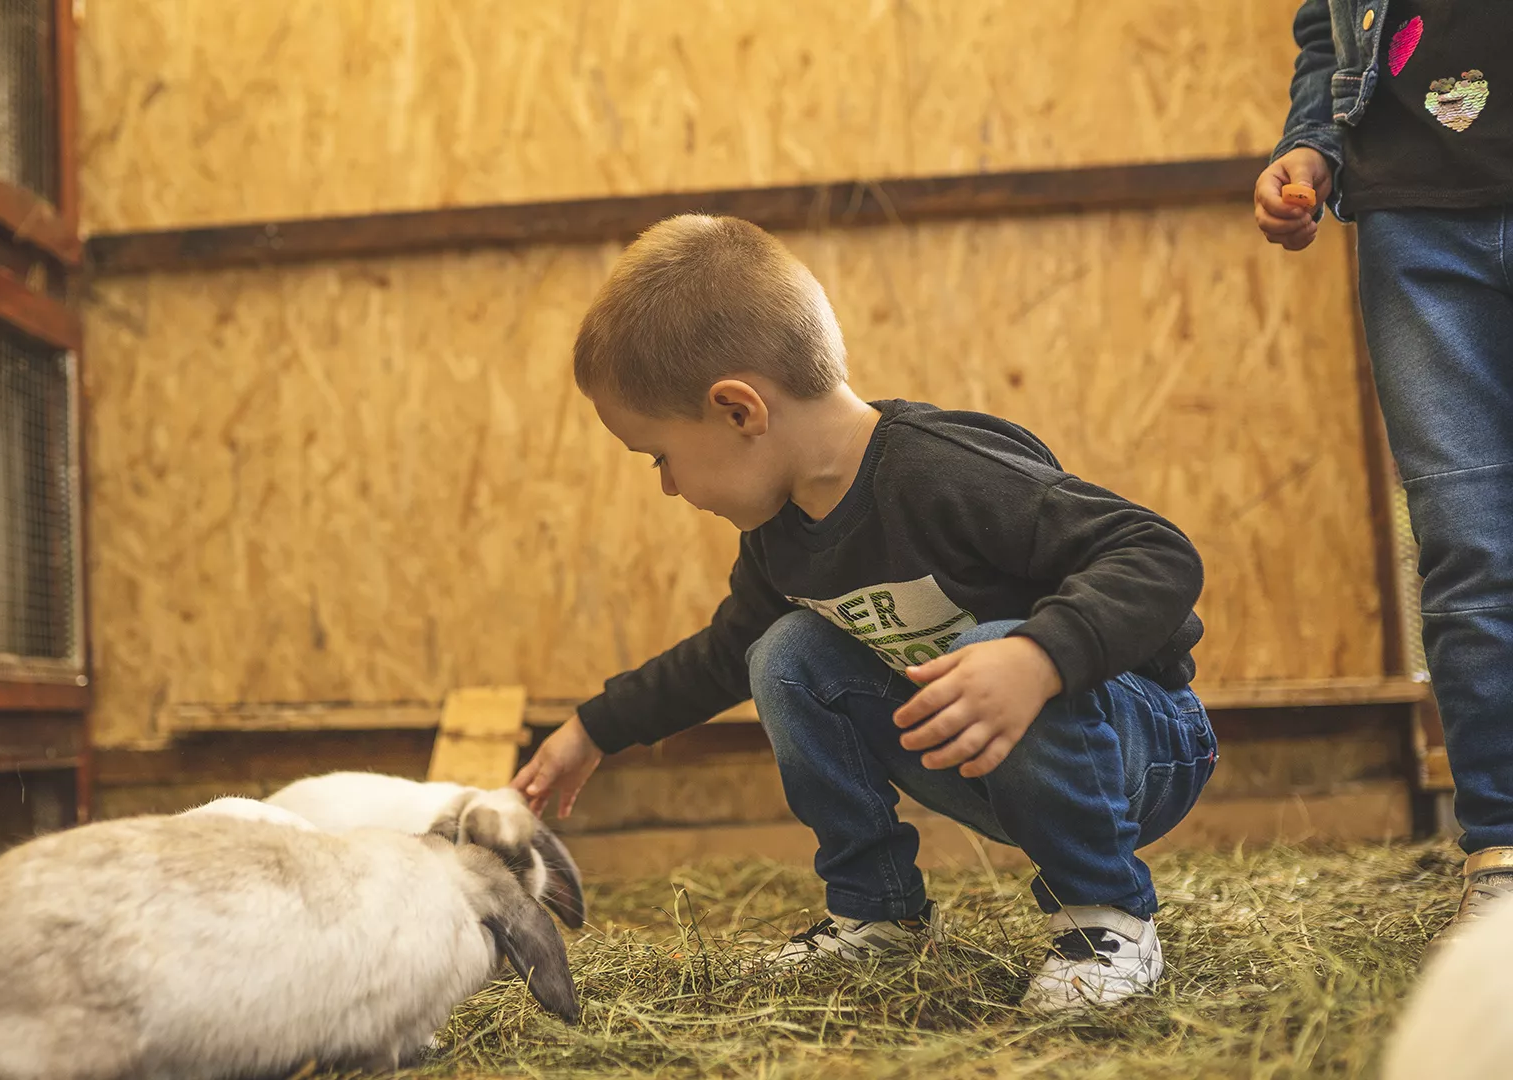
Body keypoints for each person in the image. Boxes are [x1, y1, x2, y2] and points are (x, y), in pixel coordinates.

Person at [510, 214, 1216, 1011]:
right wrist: (590, 729)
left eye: (660, 457)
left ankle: (1109, 921)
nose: (668, 485)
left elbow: (1157, 552)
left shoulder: (942, 473)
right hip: (985, 765)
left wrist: (1036, 658)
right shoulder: (784, 538)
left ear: (740, 410)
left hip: (1138, 748)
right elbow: (721, 655)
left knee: (996, 644)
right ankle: (879, 913)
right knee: (784, 653)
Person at [1256, 0, 1513, 949]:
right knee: (1466, 541)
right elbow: (1329, 33)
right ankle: (1503, 854)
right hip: (1414, 222)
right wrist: (1312, 145)